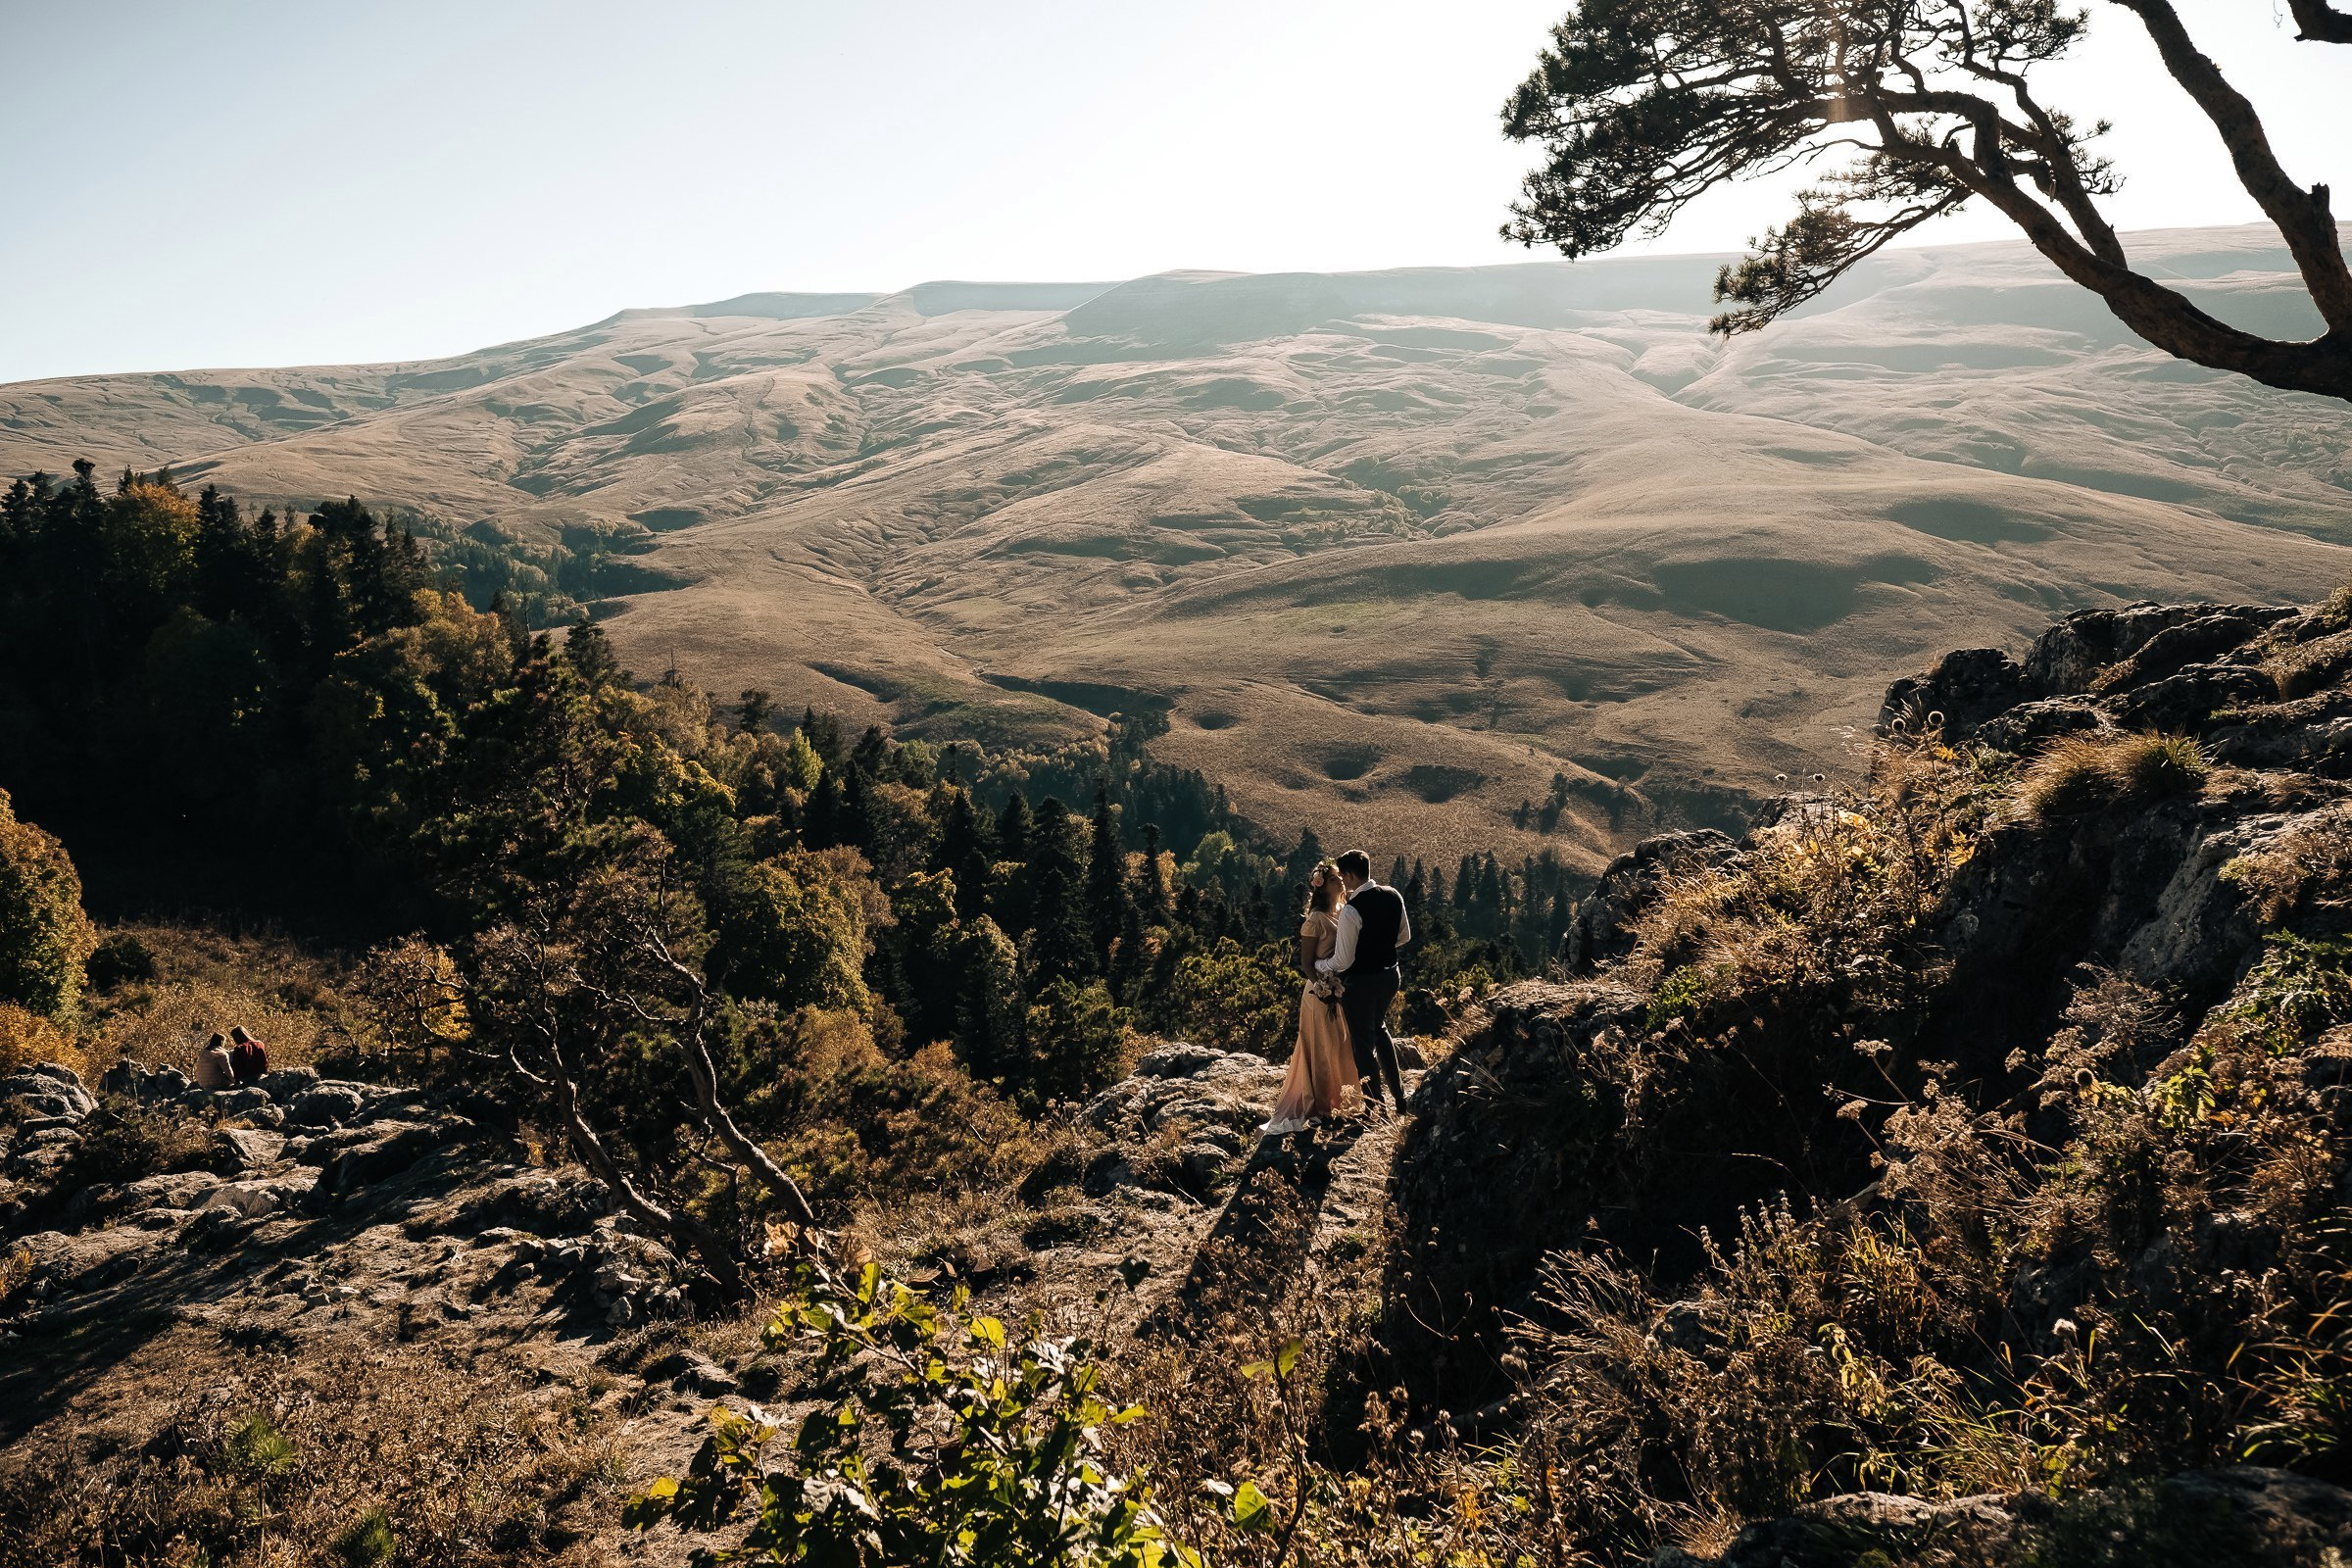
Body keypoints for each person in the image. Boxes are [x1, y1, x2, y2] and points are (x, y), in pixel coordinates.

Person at [1262, 861, 1360, 1137]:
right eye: (1333, 879)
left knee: (1341, 1046)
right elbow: (1306, 963)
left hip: (1338, 991)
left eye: (1341, 877)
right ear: (1321, 886)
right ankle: (1322, 1107)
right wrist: (1323, 988)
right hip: (1319, 994)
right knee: (1322, 1048)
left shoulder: (1342, 911)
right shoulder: (1315, 920)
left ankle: (1344, 1102)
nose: (1340, 882)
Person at [1315, 849, 1412, 1111]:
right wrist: (1381, 945)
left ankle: (1374, 1106)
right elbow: (1404, 937)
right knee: (1380, 1030)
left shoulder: (1351, 910)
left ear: (1349, 875)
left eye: (1344, 879)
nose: (1343, 885)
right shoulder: (1394, 895)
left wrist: (1319, 965)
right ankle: (1400, 1097)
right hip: (1391, 975)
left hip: (1362, 984)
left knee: (1363, 1046)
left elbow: (1343, 961)